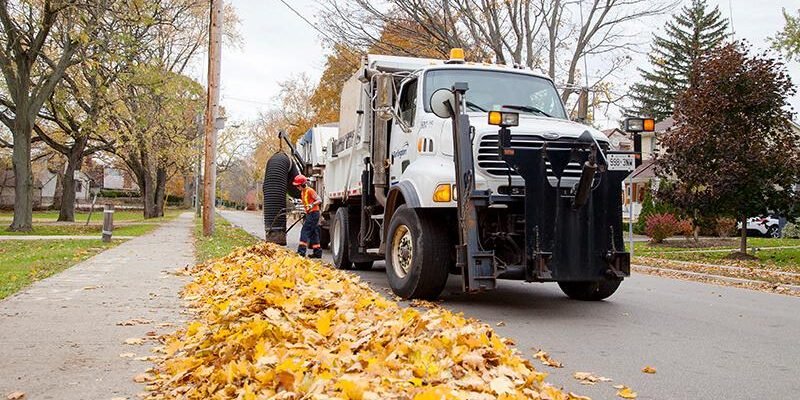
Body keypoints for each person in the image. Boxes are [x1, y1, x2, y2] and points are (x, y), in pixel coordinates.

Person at [292, 174, 322, 258]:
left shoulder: (310, 191)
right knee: (313, 232)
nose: (297, 187)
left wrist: (312, 205)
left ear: (302, 184)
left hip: (314, 213)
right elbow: (305, 202)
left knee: (305, 231)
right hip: (310, 213)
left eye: (298, 186)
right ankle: (317, 252)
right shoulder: (303, 192)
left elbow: (319, 200)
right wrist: (297, 202)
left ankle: (301, 252)